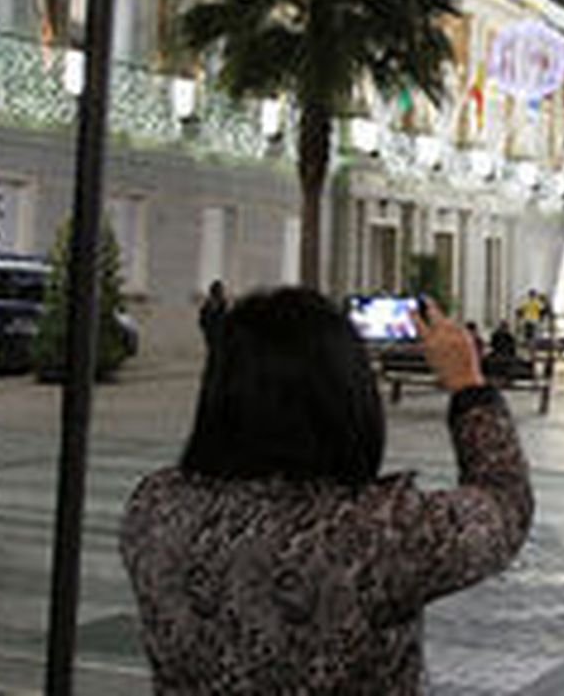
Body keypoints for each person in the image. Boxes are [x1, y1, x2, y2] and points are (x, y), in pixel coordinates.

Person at [120, 289, 533, 693]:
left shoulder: (155, 508)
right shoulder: (377, 532)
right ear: (346, 396)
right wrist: (468, 387)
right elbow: (504, 506)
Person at [198, 280, 229, 350]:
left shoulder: (224, 303)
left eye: (221, 291)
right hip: (213, 334)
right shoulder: (208, 305)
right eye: (219, 290)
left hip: (222, 335)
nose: (220, 293)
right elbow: (203, 321)